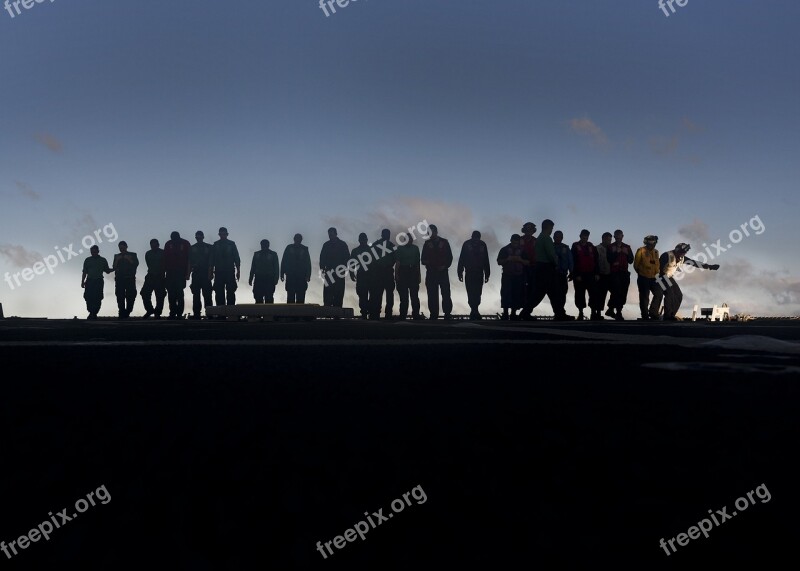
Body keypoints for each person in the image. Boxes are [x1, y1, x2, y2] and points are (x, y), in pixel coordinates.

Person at [657, 243, 719, 320]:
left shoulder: (682, 258)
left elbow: (695, 263)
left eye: (684, 253)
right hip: (660, 277)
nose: (682, 254)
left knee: (679, 295)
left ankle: (671, 315)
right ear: (677, 250)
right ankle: (667, 316)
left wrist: (710, 266)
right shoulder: (666, 255)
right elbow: (657, 268)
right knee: (669, 293)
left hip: (669, 277)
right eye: (681, 252)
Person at [531, 219, 573, 320]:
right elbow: (551, 255)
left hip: (542, 267)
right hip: (546, 268)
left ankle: (560, 313)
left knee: (553, 293)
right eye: (551, 228)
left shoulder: (540, 238)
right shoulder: (546, 238)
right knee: (541, 292)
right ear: (548, 227)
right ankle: (526, 311)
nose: (551, 230)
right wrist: (557, 264)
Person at [421, 224, 454, 320]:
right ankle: (433, 314)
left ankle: (447, 313)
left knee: (446, 293)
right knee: (432, 294)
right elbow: (423, 260)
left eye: (431, 232)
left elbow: (450, 257)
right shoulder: (426, 244)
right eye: (428, 232)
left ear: (436, 231)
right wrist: (431, 263)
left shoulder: (444, 242)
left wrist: (444, 266)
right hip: (431, 273)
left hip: (443, 272)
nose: (430, 234)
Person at [457, 231, 491, 320]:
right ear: (472, 237)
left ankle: (475, 310)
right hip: (469, 272)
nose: (476, 240)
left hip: (479, 272)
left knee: (478, 292)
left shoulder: (483, 245)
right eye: (474, 238)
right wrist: (460, 271)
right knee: (470, 292)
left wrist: (487, 273)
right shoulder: (466, 244)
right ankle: (474, 310)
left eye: (477, 238)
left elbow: (486, 259)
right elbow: (462, 258)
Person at [497, 234, 528, 320]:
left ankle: (513, 313)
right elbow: (499, 261)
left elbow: (528, 262)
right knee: (505, 293)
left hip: (519, 276)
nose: (515, 243)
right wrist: (507, 259)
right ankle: (505, 313)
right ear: (511, 240)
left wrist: (520, 260)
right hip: (507, 275)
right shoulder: (504, 250)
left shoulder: (523, 251)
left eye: (516, 242)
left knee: (517, 294)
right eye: (514, 241)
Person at [570, 230, 600, 321]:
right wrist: (576, 274)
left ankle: (593, 313)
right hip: (580, 275)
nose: (585, 238)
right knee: (579, 294)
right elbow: (573, 261)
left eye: (586, 236)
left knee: (593, 294)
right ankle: (580, 313)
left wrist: (597, 273)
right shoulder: (575, 246)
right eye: (583, 236)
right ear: (580, 236)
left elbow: (596, 260)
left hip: (591, 274)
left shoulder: (592, 246)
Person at [209, 227, 241, 308]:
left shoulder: (232, 244)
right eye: (221, 234)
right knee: (219, 292)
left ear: (227, 234)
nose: (223, 236)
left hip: (230, 271)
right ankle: (220, 312)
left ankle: (231, 312)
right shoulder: (215, 245)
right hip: (219, 272)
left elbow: (236, 258)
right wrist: (210, 272)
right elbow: (212, 260)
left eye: (224, 234)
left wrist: (238, 271)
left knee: (230, 291)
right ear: (219, 234)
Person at [606, 229, 634, 321]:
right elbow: (609, 259)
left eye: (619, 237)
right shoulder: (610, 247)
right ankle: (618, 312)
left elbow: (631, 260)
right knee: (616, 291)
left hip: (624, 273)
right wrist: (616, 253)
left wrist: (627, 254)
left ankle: (611, 309)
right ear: (614, 237)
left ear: (622, 236)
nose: (618, 239)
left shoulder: (627, 247)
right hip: (614, 273)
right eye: (616, 237)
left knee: (623, 292)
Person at [368, 229, 396, 320]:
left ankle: (388, 314)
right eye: (385, 234)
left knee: (389, 294)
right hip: (378, 272)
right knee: (377, 294)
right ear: (382, 235)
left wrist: (389, 265)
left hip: (388, 271)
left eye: (388, 234)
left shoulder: (392, 246)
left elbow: (395, 258)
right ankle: (376, 313)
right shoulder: (376, 244)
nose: (386, 235)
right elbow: (371, 257)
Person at [319, 227, 350, 308]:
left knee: (339, 293)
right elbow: (322, 257)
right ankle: (327, 311)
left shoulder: (343, 244)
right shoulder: (326, 245)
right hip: (329, 272)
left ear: (336, 234)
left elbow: (347, 257)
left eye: (332, 234)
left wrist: (344, 269)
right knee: (328, 292)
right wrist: (322, 268)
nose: (330, 236)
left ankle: (337, 312)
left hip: (340, 272)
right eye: (329, 235)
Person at [634, 235, 663, 320]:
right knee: (644, 297)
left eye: (654, 242)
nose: (652, 244)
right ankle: (645, 315)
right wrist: (641, 273)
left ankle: (653, 313)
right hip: (643, 277)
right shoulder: (641, 250)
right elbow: (636, 265)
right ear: (646, 242)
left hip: (654, 278)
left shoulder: (656, 252)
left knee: (659, 293)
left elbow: (657, 265)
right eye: (650, 242)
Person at [164, 231, 191, 319]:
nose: (174, 239)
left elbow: (189, 259)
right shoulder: (168, 244)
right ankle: (172, 312)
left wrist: (188, 273)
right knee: (171, 293)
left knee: (179, 293)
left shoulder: (185, 243)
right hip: (170, 272)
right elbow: (165, 258)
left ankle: (179, 313)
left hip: (181, 272)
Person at [81, 245, 113, 320]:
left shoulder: (103, 260)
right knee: (88, 297)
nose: (93, 253)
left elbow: (107, 270)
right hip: (89, 281)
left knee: (98, 297)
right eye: (92, 252)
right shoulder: (87, 260)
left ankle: (94, 313)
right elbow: (84, 271)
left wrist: (115, 268)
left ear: (98, 251)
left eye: (95, 252)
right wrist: (82, 281)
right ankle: (91, 312)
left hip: (98, 281)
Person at [395, 232, 422, 320]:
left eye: (410, 239)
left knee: (414, 295)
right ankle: (403, 315)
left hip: (413, 272)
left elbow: (417, 263)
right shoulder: (400, 248)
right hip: (403, 271)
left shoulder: (415, 248)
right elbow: (398, 262)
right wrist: (396, 274)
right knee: (404, 297)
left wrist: (419, 275)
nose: (409, 240)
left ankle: (416, 314)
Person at [281, 233, 312, 303]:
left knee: (300, 298)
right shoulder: (289, 248)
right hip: (291, 276)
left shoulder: (305, 249)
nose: (298, 240)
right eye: (296, 238)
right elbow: (284, 260)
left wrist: (308, 275)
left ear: (301, 240)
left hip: (301, 276)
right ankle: (290, 314)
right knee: (290, 298)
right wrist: (282, 273)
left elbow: (308, 263)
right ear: (294, 239)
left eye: (299, 239)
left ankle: (300, 313)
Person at [189, 231, 213, 319]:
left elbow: (212, 261)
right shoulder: (192, 248)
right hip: (196, 273)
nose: (198, 238)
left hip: (206, 273)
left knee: (207, 294)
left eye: (200, 237)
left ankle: (210, 313)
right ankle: (196, 314)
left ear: (203, 237)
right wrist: (188, 274)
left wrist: (210, 273)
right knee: (196, 295)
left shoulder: (209, 247)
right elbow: (189, 262)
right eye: (197, 237)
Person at [112, 241, 139, 319]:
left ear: (126, 247)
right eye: (120, 248)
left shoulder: (133, 255)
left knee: (131, 296)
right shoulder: (116, 256)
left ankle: (128, 311)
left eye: (123, 247)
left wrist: (129, 260)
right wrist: (117, 260)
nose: (121, 249)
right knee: (120, 296)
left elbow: (136, 264)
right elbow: (114, 267)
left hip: (130, 278)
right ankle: (121, 312)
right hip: (119, 279)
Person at [140, 239, 166, 319]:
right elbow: (148, 264)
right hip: (150, 275)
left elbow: (165, 263)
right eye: (152, 245)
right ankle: (150, 310)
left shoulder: (163, 252)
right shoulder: (148, 253)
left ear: (158, 245)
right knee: (144, 293)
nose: (153, 247)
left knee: (160, 295)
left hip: (160, 276)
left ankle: (157, 313)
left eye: (155, 245)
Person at [349, 233, 372, 318]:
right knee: (362, 294)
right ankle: (364, 312)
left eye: (364, 239)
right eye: (361, 240)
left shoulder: (371, 249)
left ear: (366, 240)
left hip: (371, 274)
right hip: (361, 274)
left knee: (372, 294)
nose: (363, 241)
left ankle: (370, 311)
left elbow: (376, 262)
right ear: (359, 240)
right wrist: (351, 273)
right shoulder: (355, 251)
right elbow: (351, 263)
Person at [519, 222, 538, 319]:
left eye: (530, 230)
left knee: (531, 290)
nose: (529, 231)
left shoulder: (536, 241)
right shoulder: (519, 240)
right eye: (527, 229)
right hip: (521, 268)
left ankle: (526, 312)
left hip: (533, 268)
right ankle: (517, 311)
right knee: (520, 289)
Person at [553, 231, 573, 318]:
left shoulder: (566, 247)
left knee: (563, 293)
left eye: (560, 237)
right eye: (556, 237)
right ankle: (558, 313)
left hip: (563, 274)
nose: (558, 238)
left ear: (562, 238)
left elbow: (570, 261)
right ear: (554, 237)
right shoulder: (550, 247)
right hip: (553, 275)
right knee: (555, 294)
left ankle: (561, 312)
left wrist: (572, 272)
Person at [594, 232, 612, 321]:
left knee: (604, 294)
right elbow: (595, 262)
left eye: (610, 240)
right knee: (598, 294)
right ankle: (596, 313)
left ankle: (603, 311)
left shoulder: (610, 249)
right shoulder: (597, 248)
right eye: (608, 240)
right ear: (603, 239)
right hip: (599, 274)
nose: (609, 242)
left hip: (608, 274)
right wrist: (596, 273)